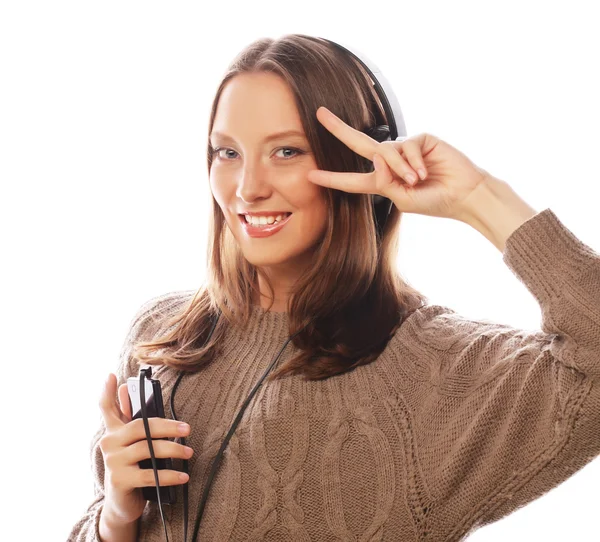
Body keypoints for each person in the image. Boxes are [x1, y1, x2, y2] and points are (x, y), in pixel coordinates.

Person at [68, 34, 600, 542]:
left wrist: (480, 197)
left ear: (359, 162)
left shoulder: (431, 369)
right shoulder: (163, 334)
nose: (247, 188)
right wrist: (116, 515)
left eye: (287, 152)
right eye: (227, 152)